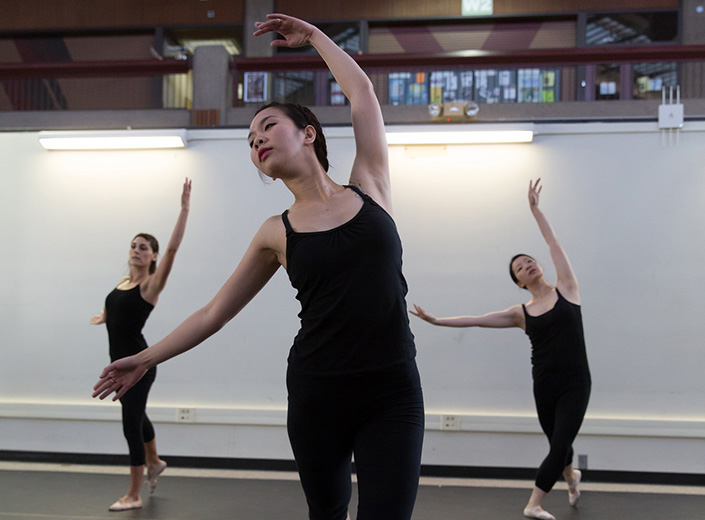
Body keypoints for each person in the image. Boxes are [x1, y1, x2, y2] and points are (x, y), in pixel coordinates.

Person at [93, 14, 424, 520]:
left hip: (393, 389)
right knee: (328, 512)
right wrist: (145, 358)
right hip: (318, 391)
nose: (257, 142)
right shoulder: (276, 231)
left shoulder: (371, 186)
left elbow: (363, 97)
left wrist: (313, 37)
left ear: (308, 133)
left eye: (267, 126)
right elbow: (214, 313)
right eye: (250, 140)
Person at [411, 179, 591, 520]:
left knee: (558, 443)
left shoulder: (567, 289)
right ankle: (572, 477)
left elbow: (553, 243)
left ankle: (533, 504)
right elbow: (477, 320)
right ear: (520, 282)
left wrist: (535, 210)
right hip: (545, 385)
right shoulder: (519, 313)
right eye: (521, 267)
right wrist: (436, 321)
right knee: (560, 444)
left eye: (530, 260)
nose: (529, 264)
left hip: (576, 382)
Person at [90, 177, 191, 511]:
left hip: (139, 366)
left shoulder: (150, 285)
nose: (136, 250)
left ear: (153, 257)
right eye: (134, 245)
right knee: (137, 416)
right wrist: (104, 316)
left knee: (130, 426)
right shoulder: (123, 282)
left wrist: (184, 210)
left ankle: (133, 494)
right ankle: (156, 461)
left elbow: (174, 250)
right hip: (120, 364)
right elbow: (118, 309)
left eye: (144, 247)